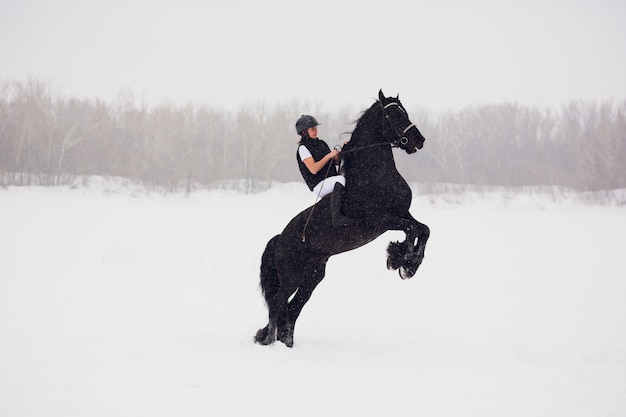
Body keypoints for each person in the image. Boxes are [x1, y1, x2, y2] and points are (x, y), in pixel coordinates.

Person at [295, 115, 354, 227]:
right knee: (341, 179)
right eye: (312, 129)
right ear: (304, 132)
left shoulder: (322, 143)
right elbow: (313, 169)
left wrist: (341, 152)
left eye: (316, 128)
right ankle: (337, 218)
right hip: (318, 185)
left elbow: (335, 162)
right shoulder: (303, 149)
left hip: (331, 180)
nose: (316, 131)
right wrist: (329, 155)